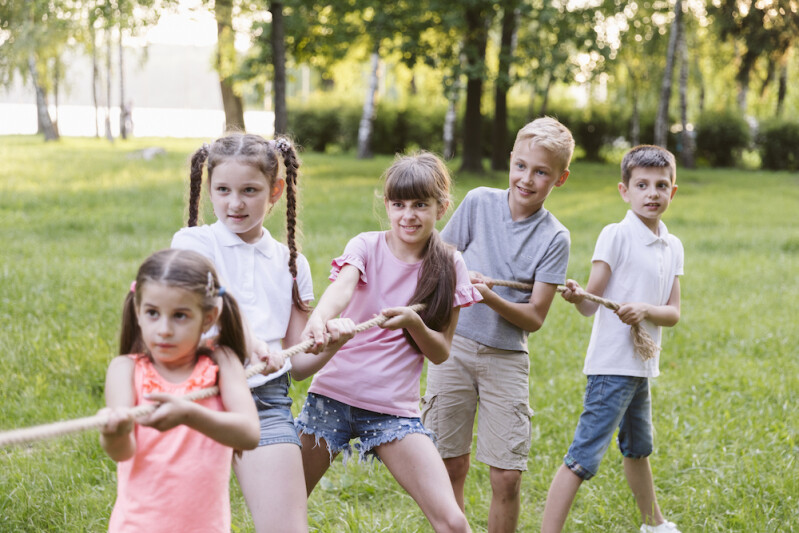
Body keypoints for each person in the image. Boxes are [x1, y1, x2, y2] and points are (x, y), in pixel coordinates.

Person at [171, 133, 353, 533]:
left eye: (249, 191)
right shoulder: (193, 244)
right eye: (223, 190)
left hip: (266, 402)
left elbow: (300, 363)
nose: (234, 203)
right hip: (200, 398)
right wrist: (249, 344)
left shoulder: (291, 263)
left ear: (275, 190)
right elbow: (201, 312)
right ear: (210, 189)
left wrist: (333, 342)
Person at [296, 152, 481, 532]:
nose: (408, 215)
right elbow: (342, 287)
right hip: (331, 397)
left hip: (393, 413)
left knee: (453, 523)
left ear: (441, 207)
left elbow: (441, 352)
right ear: (387, 204)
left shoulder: (449, 265)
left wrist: (413, 321)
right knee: (282, 509)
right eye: (398, 204)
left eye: (420, 205)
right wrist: (319, 319)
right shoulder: (365, 245)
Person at [420, 116, 574, 533]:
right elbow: (440, 258)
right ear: (510, 160)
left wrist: (487, 293)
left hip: (506, 358)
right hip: (454, 349)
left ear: (559, 178)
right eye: (521, 166)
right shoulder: (478, 202)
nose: (527, 179)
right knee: (449, 462)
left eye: (541, 172)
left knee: (506, 474)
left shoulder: (555, 238)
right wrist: (456, 274)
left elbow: (535, 317)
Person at [540, 144, 683, 533]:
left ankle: (654, 523)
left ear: (672, 192)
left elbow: (672, 312)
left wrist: (644, 309)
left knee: (638, 449)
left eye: (660, 185)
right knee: (583, 456)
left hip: (640, 369)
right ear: (625, 190)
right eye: (642, 185)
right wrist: (577, 294)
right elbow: (590, 304)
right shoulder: (615, 235)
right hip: (612, 367)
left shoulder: (672, 245)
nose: (651, 193)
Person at [100, 248, 260, 533]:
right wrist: (115, 432)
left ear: (208, 318)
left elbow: (248, 433)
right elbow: (122, 453)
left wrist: (189, 415)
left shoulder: (221, 362)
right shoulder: (124, 369)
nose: (164, 329)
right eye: (152, 313)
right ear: (138, 312)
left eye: (180, 316)